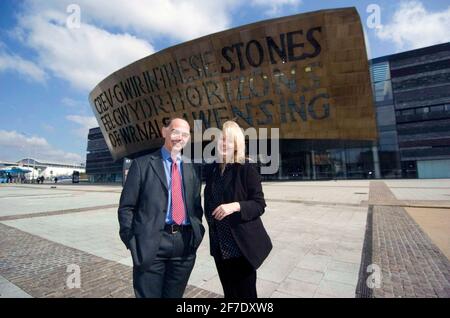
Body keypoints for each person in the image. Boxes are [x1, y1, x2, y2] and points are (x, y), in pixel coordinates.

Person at [118, 118, 205, 298]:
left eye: (185, 134)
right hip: (151, 245)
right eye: (175, 131)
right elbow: (126, 207)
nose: (179, 137)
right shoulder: (142, 164)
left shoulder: (193, 168)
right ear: (164, 132)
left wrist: (197, 235)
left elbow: (196, 207)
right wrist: (132, 241)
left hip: (184, 245)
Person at [203, 120, 272, 298]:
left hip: (241, 247)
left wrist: (235, 206)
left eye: (229, 140)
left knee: (246, 296)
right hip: (220, 247)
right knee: (229, 294)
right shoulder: (213, 169)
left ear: (236, 145)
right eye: (221, 139)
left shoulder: (246, 168)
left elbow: (259, 204)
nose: (224, 143)